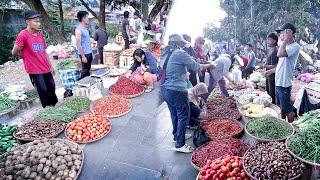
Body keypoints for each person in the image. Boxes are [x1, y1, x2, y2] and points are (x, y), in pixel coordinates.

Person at [160, 34, 215, 153]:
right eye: (181, 44)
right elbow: (196, 67)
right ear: (177, 44)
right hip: (177, 90)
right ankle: (180, 145)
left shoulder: (165, 53)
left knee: (174, 114)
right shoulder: (179, 53)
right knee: (183, 115)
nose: (182, 46)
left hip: (165, 89)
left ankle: (177, 136)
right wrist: (210, 65)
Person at [11, 10, 58, 108]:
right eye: (36, 21)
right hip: (35, 70)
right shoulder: (23, 35)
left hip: (45, 68)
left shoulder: (39, 34)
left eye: (39, 21)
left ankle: (55, 107)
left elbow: (44, 52)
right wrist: (26, 56)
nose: (39, 23)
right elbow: (14, 52)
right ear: (28, 21)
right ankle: (47, 111)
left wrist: (50, 66)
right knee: (43, 91)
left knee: (52, 88)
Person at [274, 23, 300, 122]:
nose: (281, 35)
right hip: (279, 81)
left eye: (283, 33)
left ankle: (291, 129)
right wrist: (271, 71)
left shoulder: (295, 46)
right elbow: (281, 64)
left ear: (290, 33)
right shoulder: (284, 45)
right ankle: (283, 125)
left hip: (284, 83)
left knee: (288, 110)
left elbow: (279, 54)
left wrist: (285, 40)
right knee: (282, 108)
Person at [75, 11, 93, 79]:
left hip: (89, 53)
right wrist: (83, 56)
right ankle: (80, 85)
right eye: (87, 17)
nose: (88, 19)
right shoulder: (78, 30)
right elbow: (78, 44)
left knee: (88, 71)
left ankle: (87, 85)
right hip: (84, 54)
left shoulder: (85, 29)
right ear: (83, 18)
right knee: (84, 71)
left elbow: (86, 40)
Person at [263, 33, 279, 104]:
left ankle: (273, 108)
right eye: (267, 40)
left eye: (269, 40)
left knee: (272, 93)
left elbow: (275, 66)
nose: (267, 41)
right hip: (269, 75)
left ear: (274, 41)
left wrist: (263, 66)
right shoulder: (271, 50)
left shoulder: (275, 51)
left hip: (273, 76)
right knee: (269, 92)